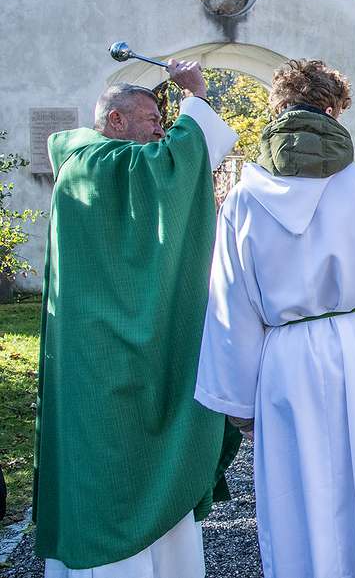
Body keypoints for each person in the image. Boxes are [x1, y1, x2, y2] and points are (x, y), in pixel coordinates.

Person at [194, 59, 355, 578]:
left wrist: (240, 403)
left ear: (279, 112)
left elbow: (231, 305)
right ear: (331, 111)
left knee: (299, 493)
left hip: (287, 363)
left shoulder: (243, 199)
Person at [35, 63, 239, 576]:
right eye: (151, 119)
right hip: (98, 357)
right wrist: (195, 94)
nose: (159, 130)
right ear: (116, 119)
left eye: (162, 121)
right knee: (108, 469)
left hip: (103, 347)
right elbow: (179, 161)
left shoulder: (107, 166)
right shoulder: (92, 165)